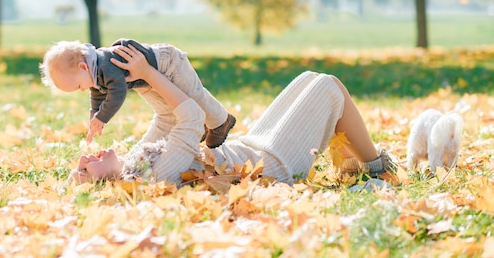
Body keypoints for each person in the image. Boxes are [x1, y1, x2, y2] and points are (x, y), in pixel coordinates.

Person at [69, 45, 396, 186]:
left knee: (310, 78)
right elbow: (192, 118)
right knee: (328, 87)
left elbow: (166, 121)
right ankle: (377, 168)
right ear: (102, 182)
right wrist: (151, 76)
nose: (86, 156)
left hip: (249, 148)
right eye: (86, 168)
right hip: (272, 166)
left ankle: (353, 169)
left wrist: (138, 76)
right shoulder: (155, 174)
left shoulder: (136, 163)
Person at [39, 38, 236, 148]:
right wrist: (94, 118)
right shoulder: (92, 72)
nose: (83, 90)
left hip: (169, 63)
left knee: (193, 95)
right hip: (150, 78)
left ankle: (221, 121)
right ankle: (197, 128)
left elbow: (117, 92)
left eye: (79, 86)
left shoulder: (106, 65)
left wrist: (104, 117)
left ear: (83, 67)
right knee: (171, 110)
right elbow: (98, 96)